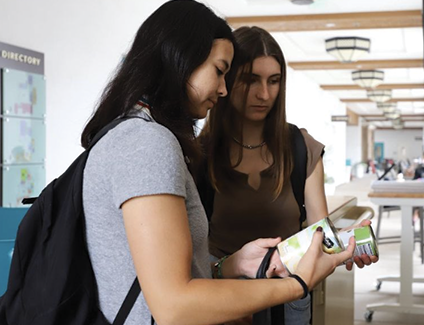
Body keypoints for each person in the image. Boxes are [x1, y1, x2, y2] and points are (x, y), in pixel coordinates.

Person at [80, 2, 356, 324]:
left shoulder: (134, 133)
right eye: (221, 71)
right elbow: (174, 304)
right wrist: (295, 285)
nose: (223, 89)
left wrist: (234, 264)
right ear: (182, 62)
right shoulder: (149, 143)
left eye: (274, 81)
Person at [198, 26, 377, 324]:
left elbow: (320, 234)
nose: (264, 94)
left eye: (274, 81)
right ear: (227, 80)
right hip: (224, 300)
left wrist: (347, 243)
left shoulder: (301, 147)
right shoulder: (200, 154)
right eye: (250, 80)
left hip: (289, 298)